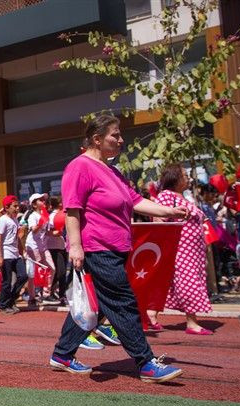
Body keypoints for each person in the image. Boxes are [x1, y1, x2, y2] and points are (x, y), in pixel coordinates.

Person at [48, 114, 189, 383]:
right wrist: (75, 247)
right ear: (97, 139)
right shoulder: (80, 167)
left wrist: (168, 210)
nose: (121, 140)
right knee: (123, 303)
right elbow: (72, 211)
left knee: (98, 304)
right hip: (96, 247)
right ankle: (146, 362)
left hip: (115, 247)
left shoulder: (112, 170)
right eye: (115, 135)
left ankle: (62, 355)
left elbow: (135, 200)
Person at [147, 164, 213, 334]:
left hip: (192, 250)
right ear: (174, 178)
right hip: (180, 249)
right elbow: (158, 219)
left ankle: (150, 314)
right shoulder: (167, 196)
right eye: (184, 175)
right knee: (187, 281)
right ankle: (192, 322)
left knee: (169, 282)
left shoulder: (184, 197)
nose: (188, 178)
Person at [0, 195, 28, 314]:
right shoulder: (2, 220)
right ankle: (3, 305)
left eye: (17, 206)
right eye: (14, 206)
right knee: (7, 281)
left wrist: (22, 250)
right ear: (7, 207)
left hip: (15, 254)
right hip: (6, 254)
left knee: (23, 276)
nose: (17, 208)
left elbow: (17, 238)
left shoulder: (15, 220)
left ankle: (11, 300)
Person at [24, 192, 54, 306]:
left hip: (43, 246)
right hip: (33, 246)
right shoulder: (33, 216)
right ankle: (32, 296)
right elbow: (34, 230)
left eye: (43, 199)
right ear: (34, 205)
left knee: (51, 268)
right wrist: (41, 222)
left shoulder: (45, 215)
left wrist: (58, 232)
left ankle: (46, 293)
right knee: (33, 272)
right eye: (40, 200)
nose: (43, 201)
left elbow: (47, 232)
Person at [45, 196, 67, 305]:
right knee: (61, 272)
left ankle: (60, 294)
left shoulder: (63, 214)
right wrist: (58, 231)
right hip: (54, 247)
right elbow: (49, 232)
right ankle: (56, 294)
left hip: (62, 246)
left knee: (61, 272)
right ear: (59, 204)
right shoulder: (52, 216)